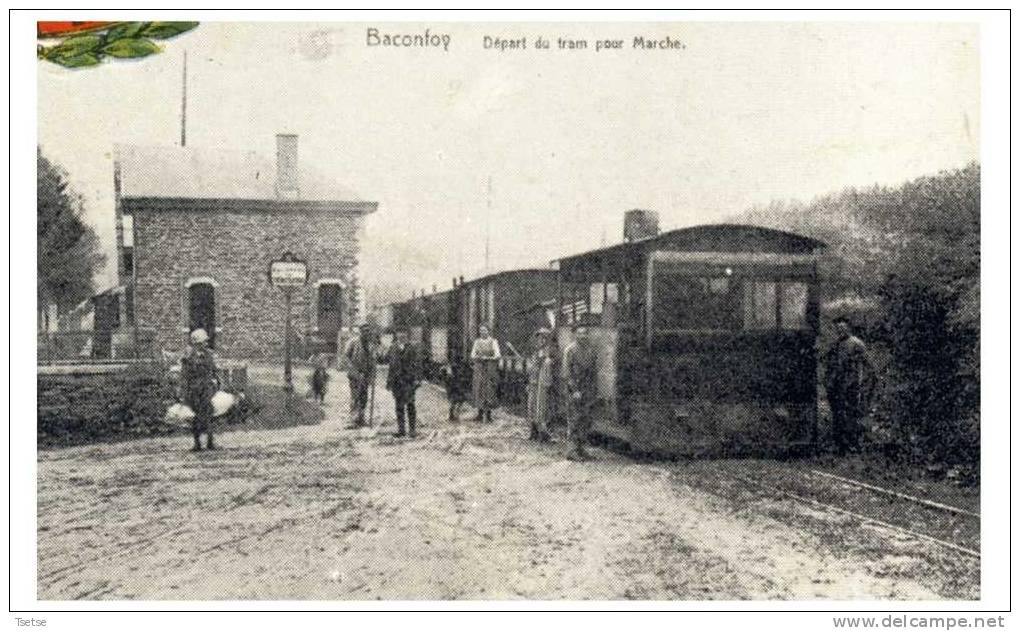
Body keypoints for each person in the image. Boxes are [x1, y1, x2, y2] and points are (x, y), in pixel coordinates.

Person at [823, 315, 877, 456]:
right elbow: (828, 362)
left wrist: (866, 383)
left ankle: (852, 447)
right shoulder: (836, 344)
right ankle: (839, 446)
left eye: (843, 328)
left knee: (850, 416)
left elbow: (869, 364)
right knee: (837, 416)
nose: (840, 331)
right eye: (838, 329)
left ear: (848, 328)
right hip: (836, 386)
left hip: (850, 386)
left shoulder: (856, 343)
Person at [563, 325, 599, 461]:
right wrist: (574, 390)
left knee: (586, 419)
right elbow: (567, 374)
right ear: (575, 335)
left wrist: (594, 390)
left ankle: (581, 449)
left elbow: (594, 372)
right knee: (575, 419)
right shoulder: (570, 350)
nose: (583, 336)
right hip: (575, 389)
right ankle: (571, 451)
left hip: (588, 389)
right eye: (580, 333)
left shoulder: (591, 351)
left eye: (585, 333)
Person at [181, 328, 218, 452]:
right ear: (196, 343)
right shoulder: (189, 356)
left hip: (207, 389)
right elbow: (185, 374)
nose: (205, 344)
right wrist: (184, 391)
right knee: (195, 416)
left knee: (208, 415)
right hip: (194, 390)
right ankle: (197, 443)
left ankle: (210, 442)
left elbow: (214, 370)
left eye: (205, 342)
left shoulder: (209, 354)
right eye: (203, 342)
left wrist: (216, 383)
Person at [386, 330, 421, 438]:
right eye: (400, 334)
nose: (402, 336)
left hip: (408, 381)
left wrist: (417, 379)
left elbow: (417, 364)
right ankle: (401, 430)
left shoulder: (412, 348)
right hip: (397, 382)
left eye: (404, 335)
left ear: (407, 336)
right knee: (399, 406)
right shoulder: (392, 348)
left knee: (410, 405)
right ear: (396, 335)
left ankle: (412, 430)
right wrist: (389, 381)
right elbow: (390, 365)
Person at [343, 324, 375, 428]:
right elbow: (346, 357)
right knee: (355, 396)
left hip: (365, 375)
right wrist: (354, 370)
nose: (367, 333)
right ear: (360, 332)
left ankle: (361, 418)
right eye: (364, 331)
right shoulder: (353, 342)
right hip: (355, 375)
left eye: (368, 331)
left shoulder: (370, 345)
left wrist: (372, 375)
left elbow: (372, 361)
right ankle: (353, 419)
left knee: (364, 397)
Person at [526, 328, 554, 442]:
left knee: (541, 407)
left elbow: (548, 366)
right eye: (539, 338)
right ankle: (533, 431)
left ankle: (543, 433)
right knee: (532, 406)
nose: (541, 341)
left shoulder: (549, 352)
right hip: (534, 382)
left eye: (544, 338)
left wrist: (545, 361)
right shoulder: (535, 352)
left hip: (543, 383)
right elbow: (532, 368)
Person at [470, 324, 501, 422]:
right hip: (479, 368)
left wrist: (488, 358)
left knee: (489, 389)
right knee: (479, 388)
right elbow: (473, 354)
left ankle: (488, 414)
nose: (483, 332)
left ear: (488, 331)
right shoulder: (477, 342)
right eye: (481, 330)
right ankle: (479, 413)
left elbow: (497, 355)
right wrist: (478, 358)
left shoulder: (493, 342)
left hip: (489, 368)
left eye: (485, 330)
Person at [445, 355, 471, 421]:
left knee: (456, 401)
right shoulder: (454, 367)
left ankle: (454, 415)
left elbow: (448, 378)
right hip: (455, 387)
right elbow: (449, 377)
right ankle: (453, 415)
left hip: (457, 387)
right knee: (456, 401)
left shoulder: (453, 367)